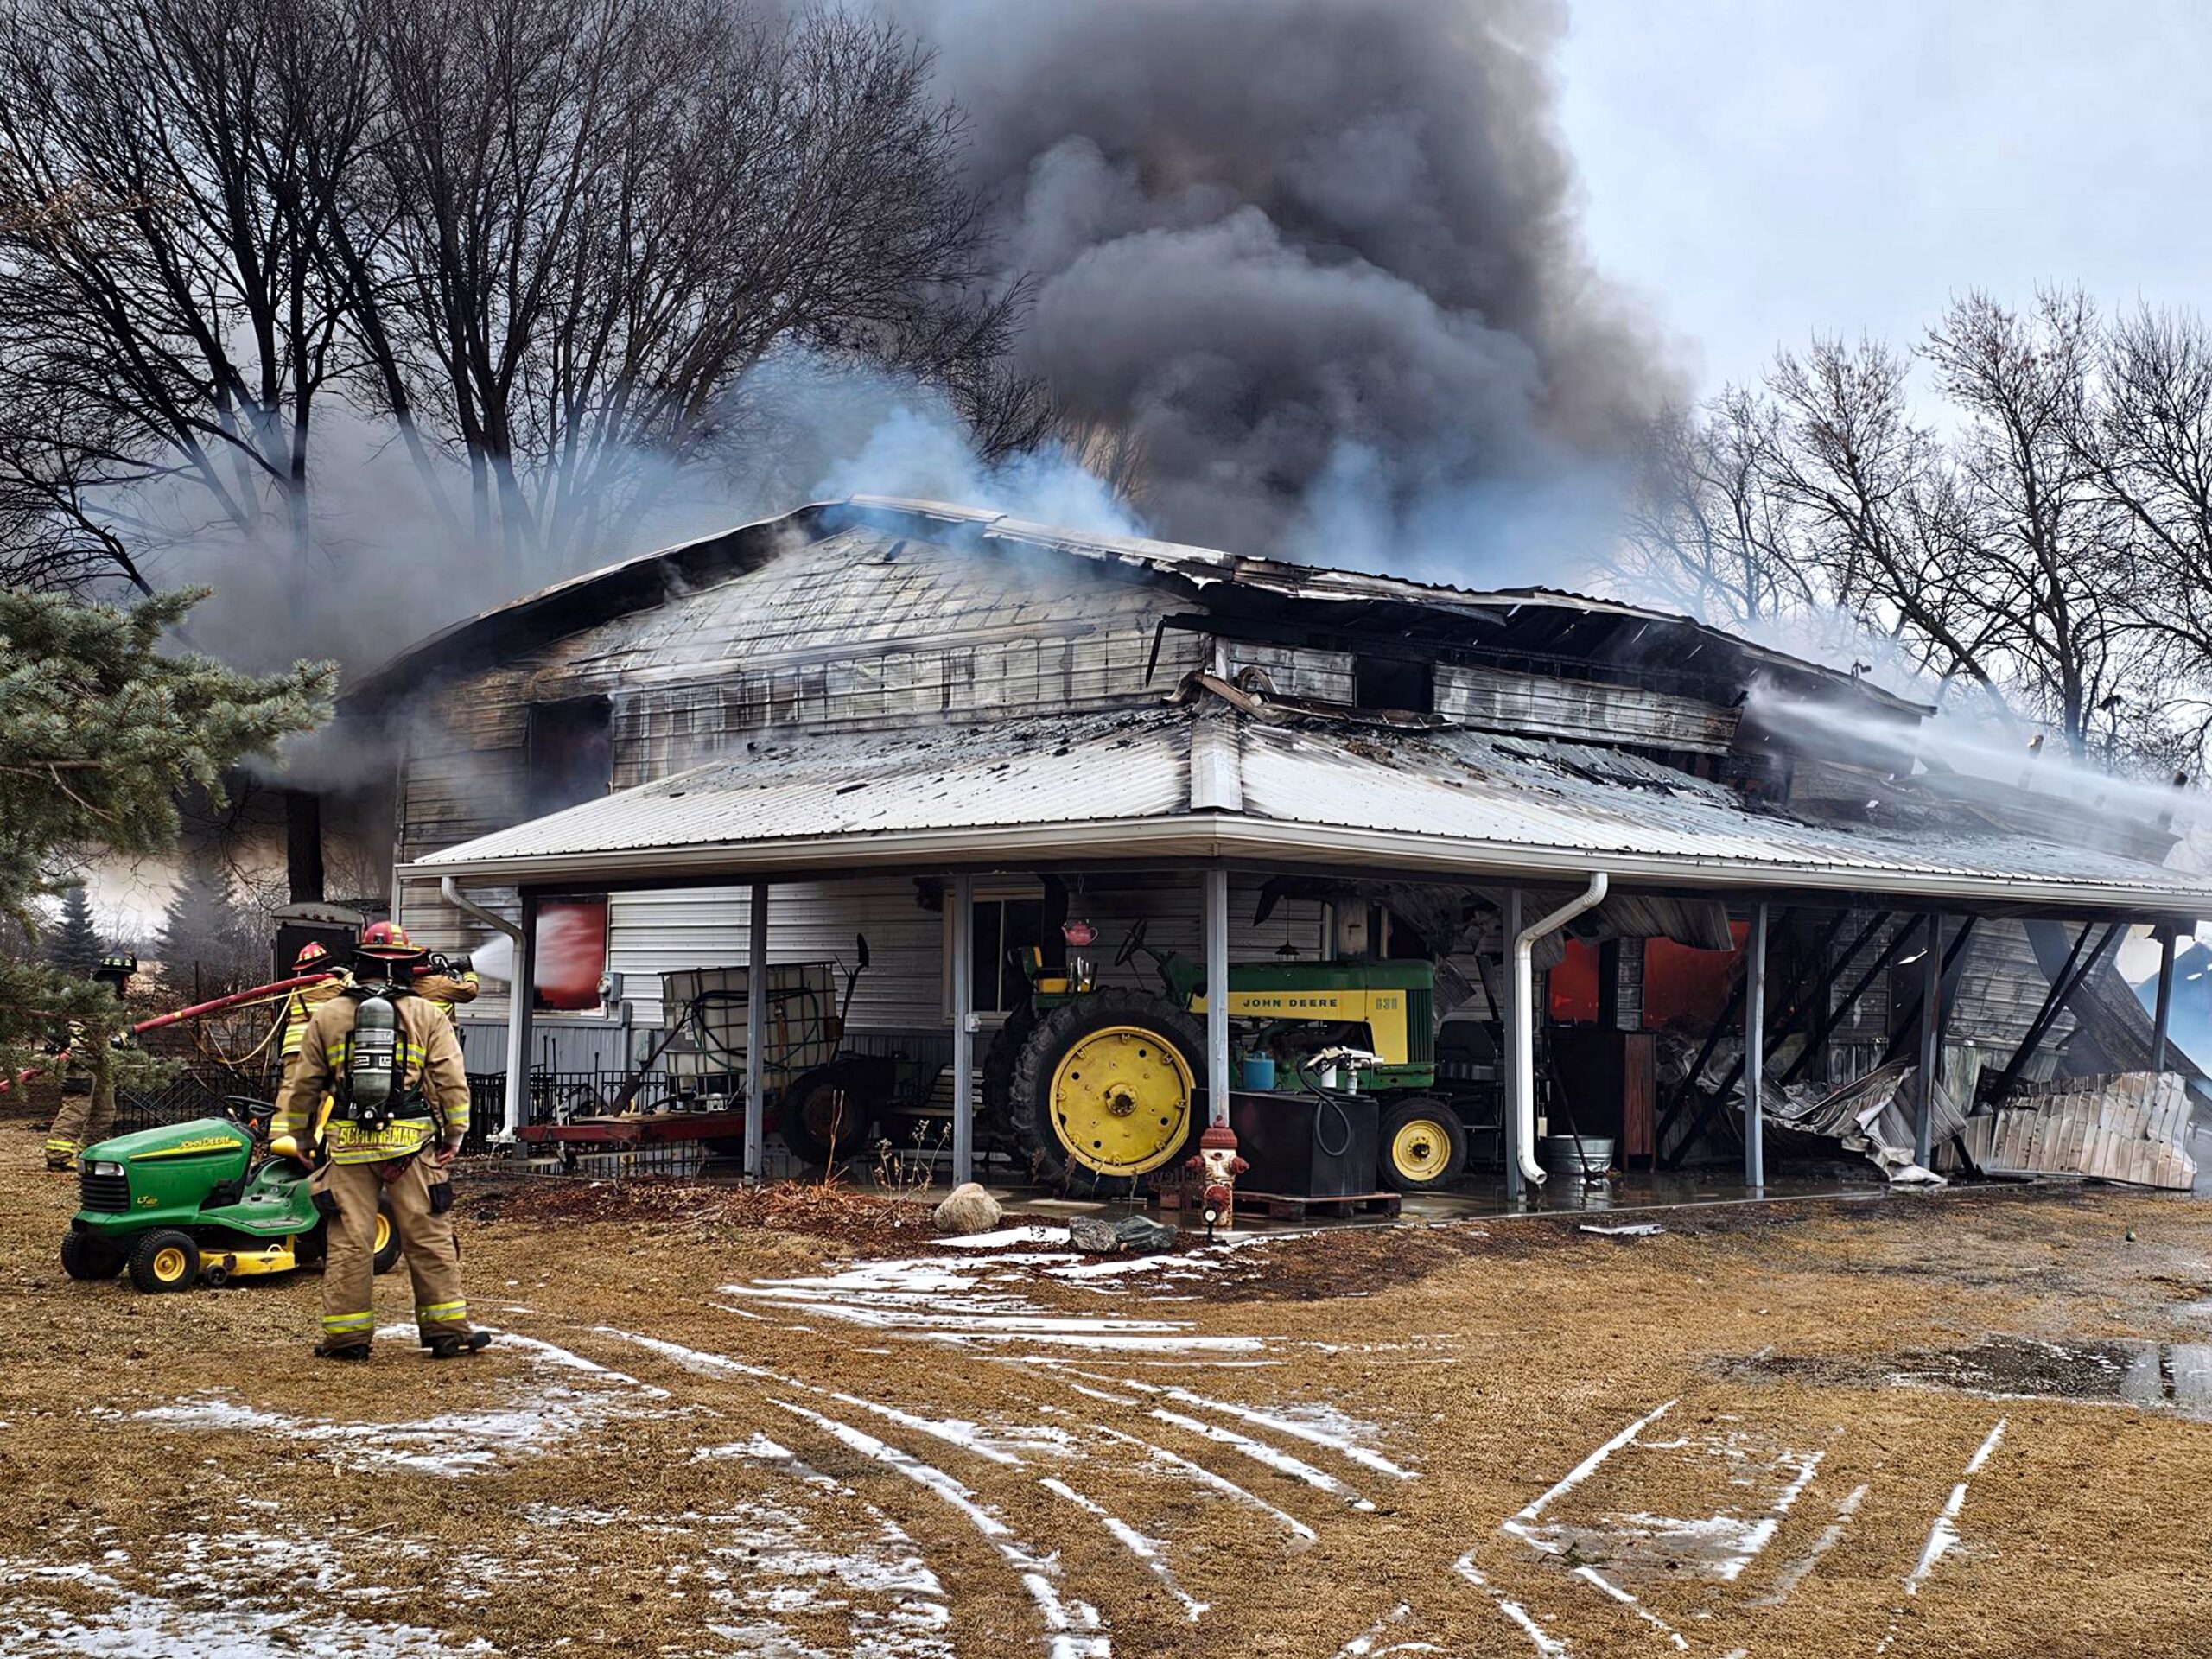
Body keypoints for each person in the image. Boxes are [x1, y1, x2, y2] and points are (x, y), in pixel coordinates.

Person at [270, 921, 487, 1362]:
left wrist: (302, 1137)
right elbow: (450, 1080)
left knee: (351, 1240)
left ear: (361, 963)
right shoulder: (427, 1014)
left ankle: (347, 1339)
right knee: (428, 1235)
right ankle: (446, 1333)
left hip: (347, 1145)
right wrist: (454, 1132)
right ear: (408, 965)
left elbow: (304, 1086)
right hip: (413, 1146)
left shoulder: (329, 1014)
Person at [42, 956, 132, 1170]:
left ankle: (91, 1154)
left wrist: (121, 1037)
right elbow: (79, 1028)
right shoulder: (93, 998)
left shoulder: (114, 1000)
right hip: (81, 1061)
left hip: (101, 1062)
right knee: (76, 1109)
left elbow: (116, 1029)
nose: (129, 983)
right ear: (116, 978)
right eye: (127, 978)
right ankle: (58, 1157)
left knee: (105, 1112)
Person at [279, 941, 352, 1069]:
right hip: (317, 1045)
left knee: (292, 1081)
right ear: (324, 964)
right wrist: (347, 974)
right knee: (319, 1081)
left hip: (292, 1047)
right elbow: (353, 991)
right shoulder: (333, 986)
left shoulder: (296, 991)